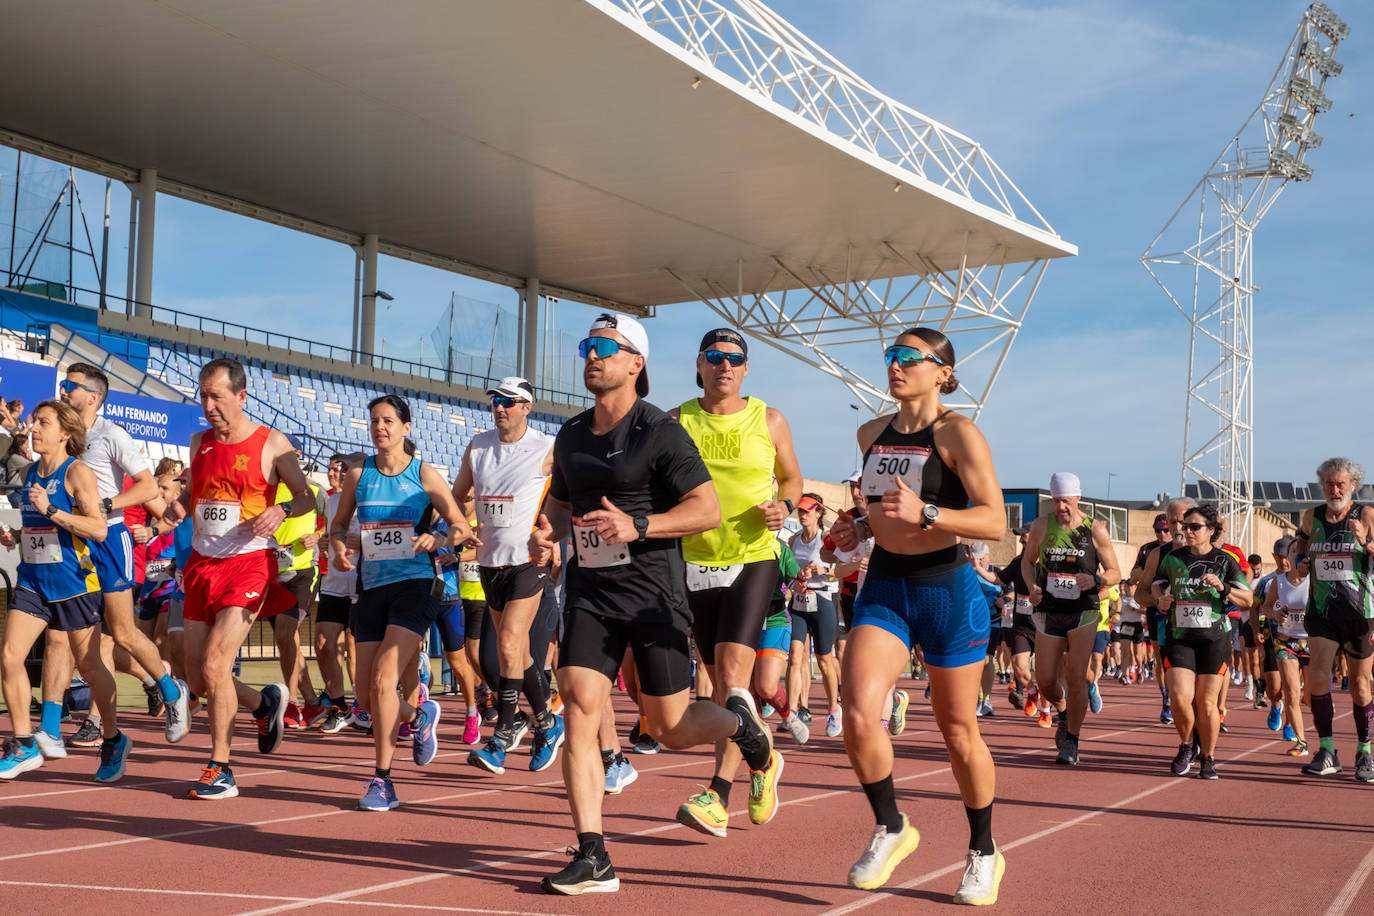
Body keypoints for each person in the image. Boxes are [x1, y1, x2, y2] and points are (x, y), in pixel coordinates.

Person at [529, 312, 777, 895]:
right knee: (580, 706)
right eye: (587, 346)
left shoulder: (659, 432)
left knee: (668, 727)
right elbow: (562, 507)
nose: (591, 356)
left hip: (654, 597)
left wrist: (638, 525)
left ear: (635, 364)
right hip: (591, 594)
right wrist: (549, 534)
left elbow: (706, 509)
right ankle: (594, 855)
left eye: (605, 348)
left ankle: (742, 728)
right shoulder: (569, 435)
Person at [828, 327, 1007, 903]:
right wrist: (856, 527)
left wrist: (929, 511)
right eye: (891, 356)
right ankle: (891, 825)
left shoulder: (959, 433)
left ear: (942, 372)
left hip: (945, 590)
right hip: (884, 585)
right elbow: (880, 509)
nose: (896, 365)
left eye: (909, 357)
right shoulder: (869, 433)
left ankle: (983, 850)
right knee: (857, 714)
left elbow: (993, 523)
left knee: (958, 734)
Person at [670, 327, 800, 838]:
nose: (725, 365)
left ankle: (717, 797)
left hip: (753, 556)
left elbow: (792, 478)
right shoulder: (676, 420)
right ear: (699, 365)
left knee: (731, 682)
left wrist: (785, 506)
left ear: (746, 369)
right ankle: (763, 760)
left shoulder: (769, 419)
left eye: (735, 359)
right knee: (723, 685)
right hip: (695, 559)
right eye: (715, 357)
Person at [172, 357, 313, 799]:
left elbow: (309, 497)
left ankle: (221, 767)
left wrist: (282, 509)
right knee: (197, 679)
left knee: (217, 664)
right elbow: (195, 502)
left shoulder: (271, 443)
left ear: (241, 396)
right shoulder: (197, 443)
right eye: (203, 395)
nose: (209, 404)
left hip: (249, 563)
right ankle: (264, 702)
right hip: (201, 566)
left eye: (217, 396)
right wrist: (168, 510)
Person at [328, 395, 469, 810]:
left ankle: (382, 780)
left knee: (385, 674)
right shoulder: (359, 473)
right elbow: (338, 525)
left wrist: (439, 538)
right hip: (371, 587)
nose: (380, 428)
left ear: (406, 428)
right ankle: (419, 715)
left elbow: (460, 524)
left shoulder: (424, 475)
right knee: (368, 699)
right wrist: (338, 548)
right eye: (374, 421)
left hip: (416, 583)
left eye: (388, 421)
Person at [39, 363, 189, 748]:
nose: (63, 390)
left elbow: (146, 488)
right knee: (60, 637)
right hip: (73, 541)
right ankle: (50, 730)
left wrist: (107, 504)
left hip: (110, 540)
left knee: (121, 632)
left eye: (69, 385)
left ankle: (172, 692)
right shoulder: (62, 437)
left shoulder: (110, 434)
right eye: (61, 384)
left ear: (93, 396)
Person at [0, 401, 126, 781]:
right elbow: (39, 529)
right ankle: (23, 744)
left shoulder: (79, 473)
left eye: (43, 423)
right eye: (34, 421)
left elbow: (98, 529)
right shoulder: (29, 474)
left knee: (88, 666)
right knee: (9, 656)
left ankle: (113, 738)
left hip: (74, 584)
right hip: (33, 580)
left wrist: (52, 510)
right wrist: (16, 536)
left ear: (65, 433)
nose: (34, 428)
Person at [451, 376, 564, 776]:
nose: (500, 407)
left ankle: (503, 733)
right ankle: (549, 724)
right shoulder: (478, 445)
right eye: (496, 401)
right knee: (518, 654)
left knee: (510, 643)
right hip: (489, 564)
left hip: (527, 562)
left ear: (527, 407)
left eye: (510, 402)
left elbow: (568, 495)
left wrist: (553, 537)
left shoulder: (547, 447)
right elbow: (457, 495)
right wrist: (455, 525)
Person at [1022, 472, 1122, 766]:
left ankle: (1072, 742)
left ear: (1078, 498)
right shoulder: (1042, 526)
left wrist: (1096, 579)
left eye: (1066, 500)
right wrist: (1032, 588)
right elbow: (1028, 563)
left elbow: (1115, 572)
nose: (1061, 506)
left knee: (1077, 676)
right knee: (1046, 680)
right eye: (1056, 500)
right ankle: (1063, 712)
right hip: (1049, 611)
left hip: (1084, 612)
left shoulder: (1096, 530)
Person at [1153, 503, 1251, 779]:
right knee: (1180, 697)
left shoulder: (1225, 561)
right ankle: (1186, 744)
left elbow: (1248, 600)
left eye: (1194, 527)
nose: (1187, 531)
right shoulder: (1173, 558)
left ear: (1211, 531)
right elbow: (1154, 587)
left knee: (1207, 703)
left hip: (1213, 638)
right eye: (1185, 526)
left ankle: (1208, 756)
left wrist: (1224, 588)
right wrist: (1160, 599)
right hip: (1180, 637)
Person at [1293, 457, 1374, 783]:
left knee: (1360, 686)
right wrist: (1298, 561)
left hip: (1360, 612)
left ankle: (1364, 751)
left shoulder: (1367, 515)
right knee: (1317, 680)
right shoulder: (1311, 516)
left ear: (1353, 485)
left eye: (1340, 483)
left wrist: (1365, 542)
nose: (1334, 489)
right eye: (1328, 484)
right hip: (1322, 611)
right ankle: (1327, 750)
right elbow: (1299, 547)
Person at [271, 435, 329, 728]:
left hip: (303, 571)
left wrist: (318, 537)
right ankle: (314, 703)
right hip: (271, 574)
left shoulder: (314, 490)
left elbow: (337, 525)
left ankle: (290, 704)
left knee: (285, 632)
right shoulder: (266, 490)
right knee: (288, 641)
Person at [786, 494, 840, 738]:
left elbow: (843, 569)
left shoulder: (828, 540)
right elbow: (790, 574)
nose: (802, 514)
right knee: (795, 657)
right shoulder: (793, 539)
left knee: (824, 660)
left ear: (819, 512)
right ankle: (792, 712)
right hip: (799, 602)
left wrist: (824, 570)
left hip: (822, 601)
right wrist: (795, 582)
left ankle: (833, 709)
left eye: (808, 510)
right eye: (800, 510)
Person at [315, 453, 361, 734]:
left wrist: (363, 542)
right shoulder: (331, 502)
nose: (336, 474)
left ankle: (365, 707)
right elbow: (333, 534)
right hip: (334, 583)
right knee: (323, 644)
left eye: (343, 470)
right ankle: (340, 706)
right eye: (333, 469)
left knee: (358, 652)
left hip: (362, 583)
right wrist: (324, 541)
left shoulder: (368, 502)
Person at [1255, 538, 1308, 756]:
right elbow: (1263, 607)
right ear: (1285, 556)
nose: (1297, 555)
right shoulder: (1275, 582)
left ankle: (1324, 742)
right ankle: (1300, 741)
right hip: (1285, 640)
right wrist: (1274, 614)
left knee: (1313, 696)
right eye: (1293, 551)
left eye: (1301, 551)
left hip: (1313, 641)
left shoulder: (1317, 580)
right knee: (1290, 693)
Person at [3, 432, 33, 507]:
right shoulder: (15, 458)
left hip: (20, 491)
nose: (28, 446)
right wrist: (30, 458)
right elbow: (32, 466)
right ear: (20, 445)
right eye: (26, 444)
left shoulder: (20, 457)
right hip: (15, 492)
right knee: (20, 516)